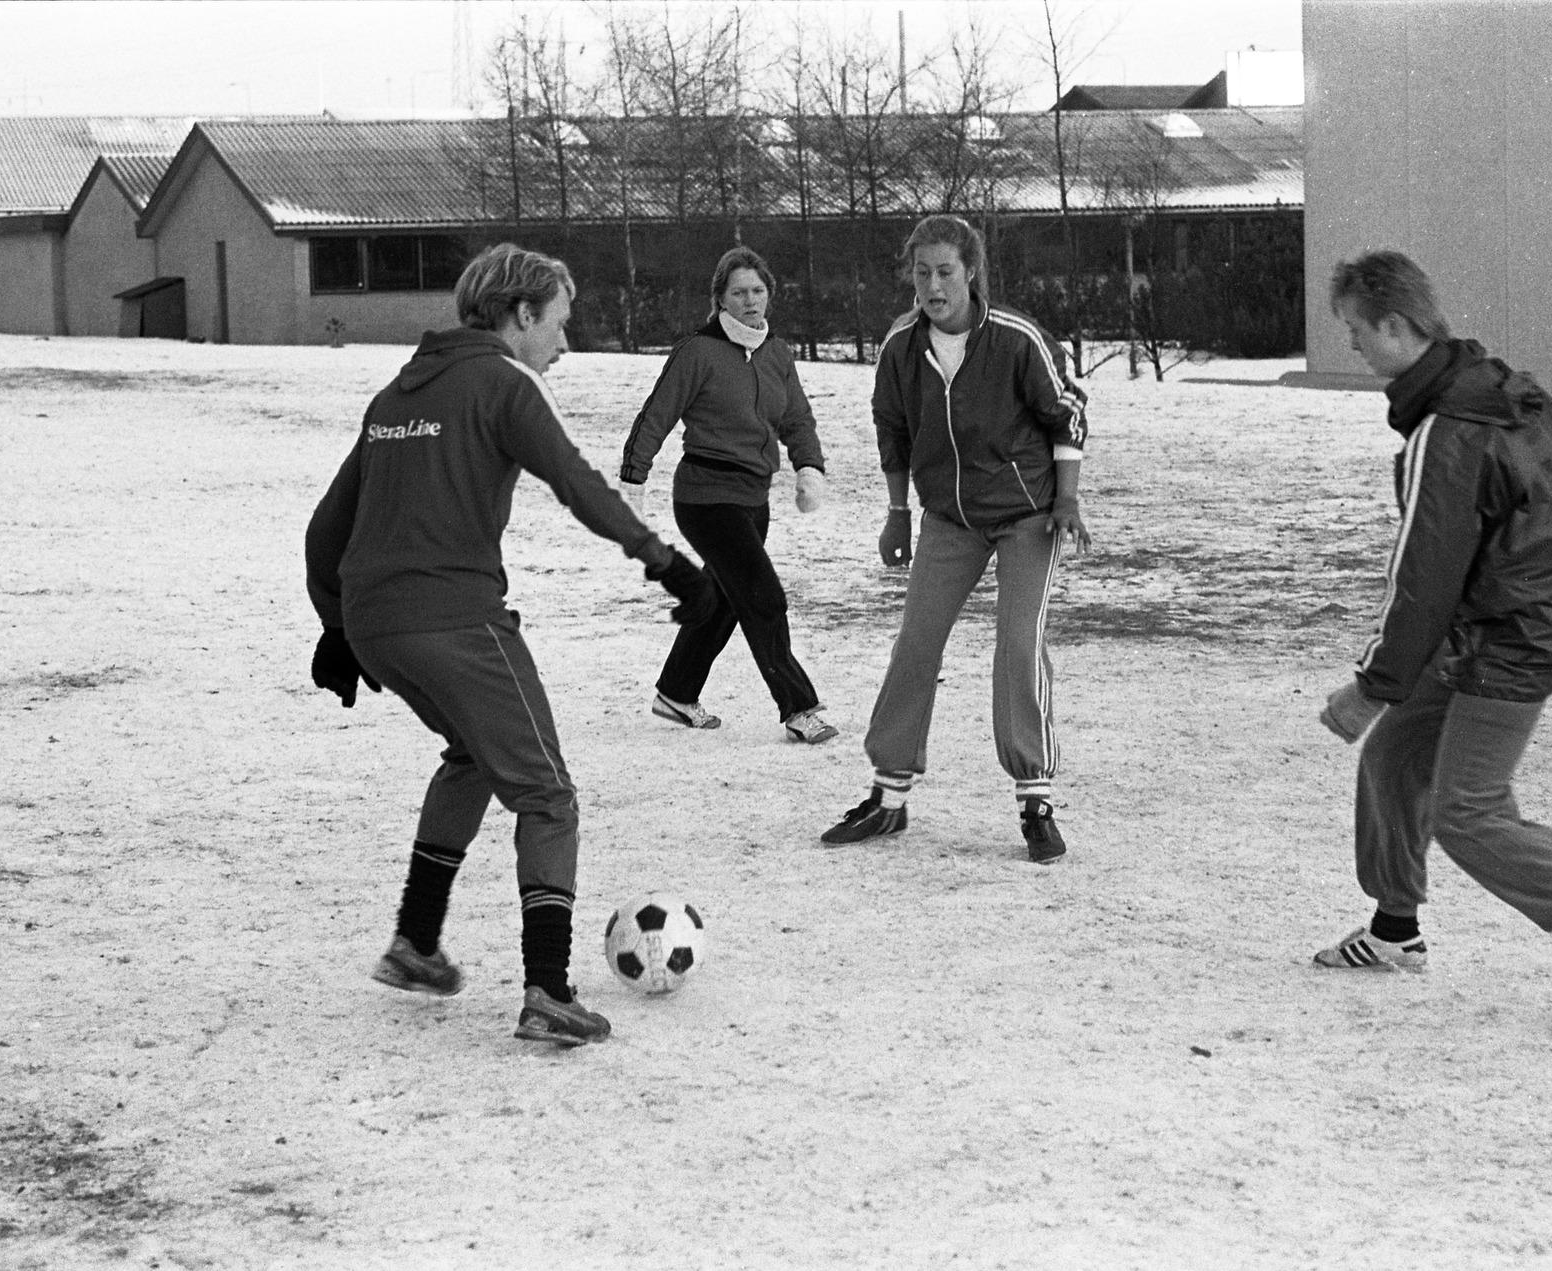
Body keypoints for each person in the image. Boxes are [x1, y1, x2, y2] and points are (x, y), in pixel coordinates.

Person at [304, 243, 717, 1047]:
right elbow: (576, 480)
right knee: (547, 794)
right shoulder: (502, 381)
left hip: (379, 625)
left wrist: (337, 625)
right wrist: (666, 564)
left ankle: (415, 943)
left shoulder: (395, 395)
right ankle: (548, 992)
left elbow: (326, 527)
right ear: (520, 313)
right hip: (456, 620)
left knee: (473, 755)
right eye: (558, 323)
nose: (564, 342)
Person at [1313, 249, 1552, 1034]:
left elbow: (1423, 577)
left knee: (1466, 810)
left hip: (1515, 638)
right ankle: (1395, 930)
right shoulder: (1497, 389)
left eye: (1356, 330)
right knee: (1394, 756)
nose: (1353, 345)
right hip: (1505, 621)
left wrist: (1371, 685)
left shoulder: (1450, 429)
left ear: (1394, 325)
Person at [819, 214, 1089, 863]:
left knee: (1017, 644)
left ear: (971, 272)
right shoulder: (900, 346)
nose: (933, 286)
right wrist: (897, 512)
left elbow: (1068, 414)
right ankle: (888, 796)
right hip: (948, 516)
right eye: (922, 273)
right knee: (916, 642)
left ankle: (1035, 800)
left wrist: (1068, 498)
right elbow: (891, 429)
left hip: (1028, 513)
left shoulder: (1017, 339)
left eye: (945, 271)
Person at [618, 246, 837, 744]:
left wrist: (809, 466)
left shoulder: (777, 353)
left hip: (753, 500)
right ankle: (800, 708)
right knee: (763, 597)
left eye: (758, 291)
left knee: (722, 600)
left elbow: (797, 419)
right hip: (705, 497)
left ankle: (676, 692)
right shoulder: (697, 351)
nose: (750, 301)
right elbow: (656, 416)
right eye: (739, 293)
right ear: (720, 298)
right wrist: (634, 480)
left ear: (769, 295)